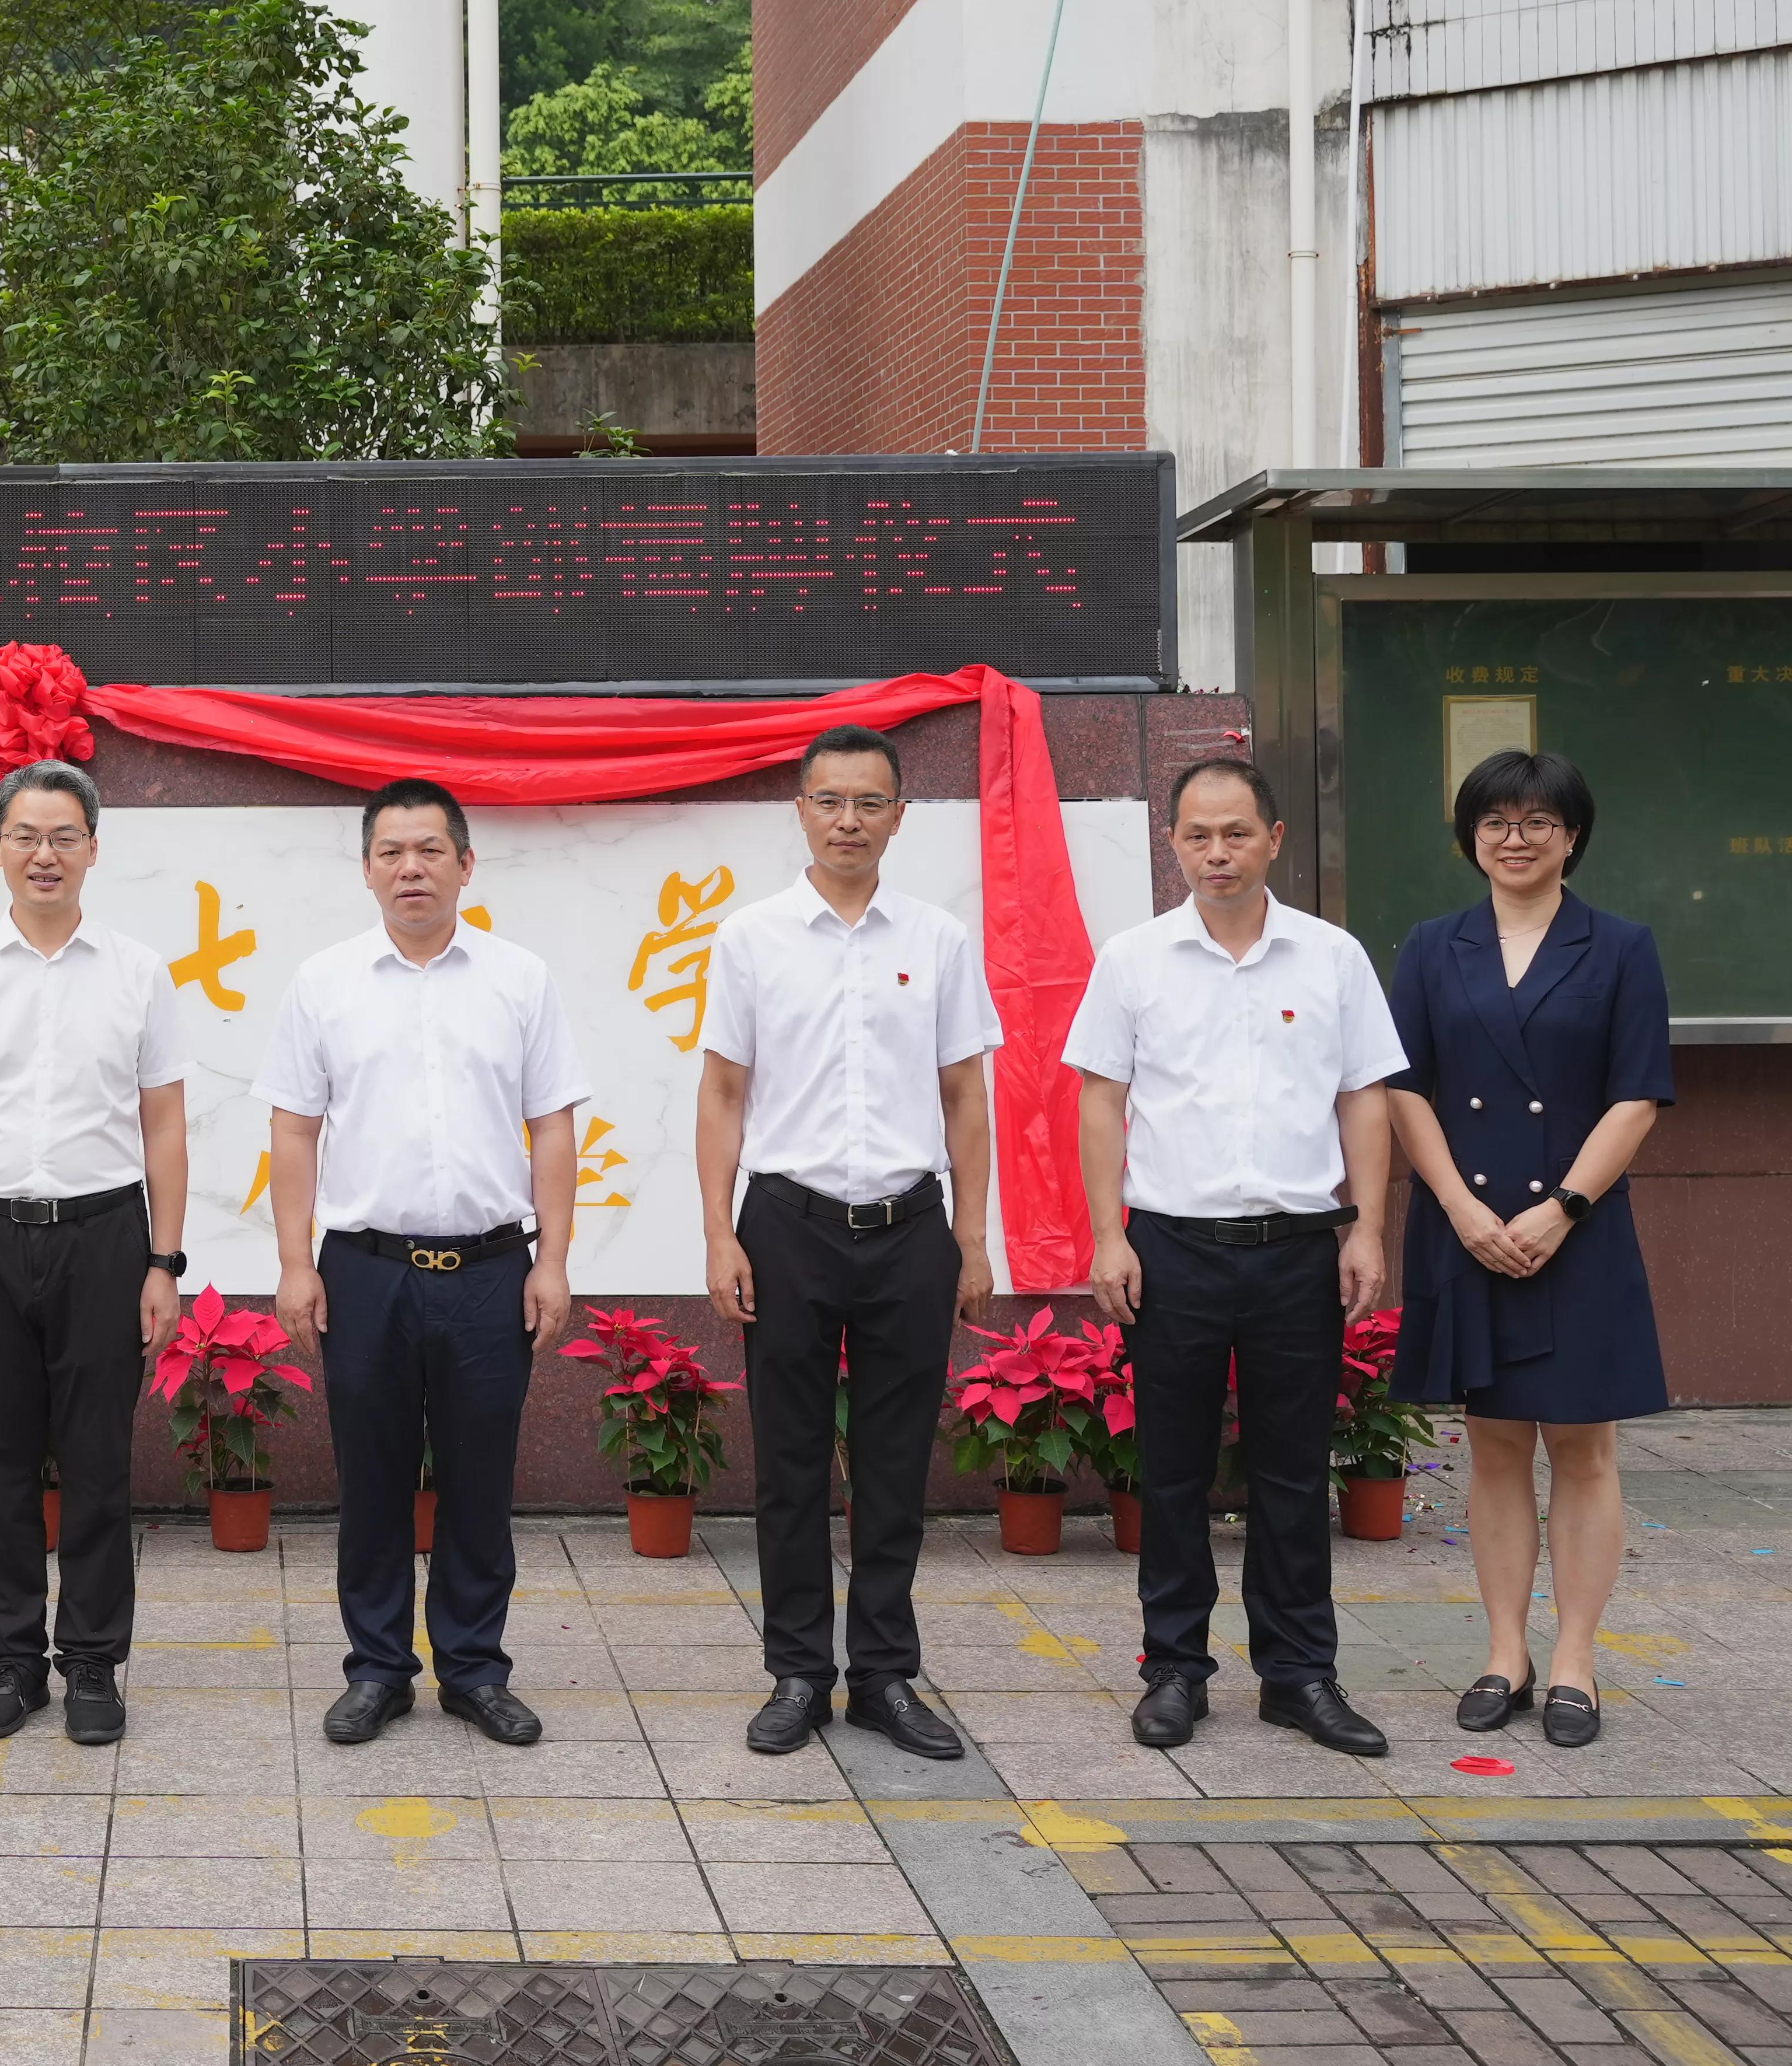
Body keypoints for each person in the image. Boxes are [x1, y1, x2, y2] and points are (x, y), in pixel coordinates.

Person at [1070, 757, 1402, 1757]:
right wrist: (1107, 1233)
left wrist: (1368, 1225)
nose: (1217, 853)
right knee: (1169, 1473)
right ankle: (1174, 1669)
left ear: (1274, 839)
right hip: (1171, 1248)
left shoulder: (1332, 956)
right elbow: (1098, 1098)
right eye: (1197, 837)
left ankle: (1300, 1675)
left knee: (1294, 1474)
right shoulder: (1133, 959)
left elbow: (1365, 1096)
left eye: (1236, 834)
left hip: (1298, 1247)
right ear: (1173, 844)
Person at [693, 725, 995, 1762]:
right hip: (786, 1224)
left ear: (901, 816)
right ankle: (796, 1672)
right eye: (830, 802)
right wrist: (717, 1235)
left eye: (870, 803)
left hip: (909, 1227)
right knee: (787, 1461)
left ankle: (883, 1676)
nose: (849, 821)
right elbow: (724, 1093)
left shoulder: (938, 940)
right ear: (802, 812)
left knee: (895, 1460)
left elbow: (965, 1093)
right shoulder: (751, 938)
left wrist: (973, 1235)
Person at [267, 779, 586, 1749]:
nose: (412, 868)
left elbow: (554, 1127)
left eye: (431, 851)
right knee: (371, 1477)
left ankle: (476, 1671)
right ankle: (376, 1671)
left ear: (465, 864)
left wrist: (554, 1261)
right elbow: (293, 1129)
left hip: (493, 1269)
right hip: (364, 1271)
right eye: (393, 852)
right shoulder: (323, 984)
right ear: (367, 868)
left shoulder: (520, 979)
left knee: (481, 1480)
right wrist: (294, 1262)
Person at [1384, 749, 1672, 1751]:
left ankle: (1577, 1660)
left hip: (1576, 1231)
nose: (1516, 838)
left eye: (1538, 822)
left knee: (1585, 1448)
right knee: (1495, 1443)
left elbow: (1638, 1094)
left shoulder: (1622, 946)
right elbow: (1404, 1087)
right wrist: (1462, 1210)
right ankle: (1504, 1652)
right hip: (1470, 1226)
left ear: (1573, 836)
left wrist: (1564, 1209)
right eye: (1496, 821)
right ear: (1470, 837)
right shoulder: (1430, 946)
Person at [0, 759, 188, 1749]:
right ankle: (16, 1663)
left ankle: (95, 1665)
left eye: (64, 836)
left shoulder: (138, 971)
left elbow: (165, 1126)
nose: (44, 854)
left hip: (106, 1236)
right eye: (25, 836)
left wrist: (166, 1261)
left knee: (100, 1464)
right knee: (2, 1464)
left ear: (94, 850)